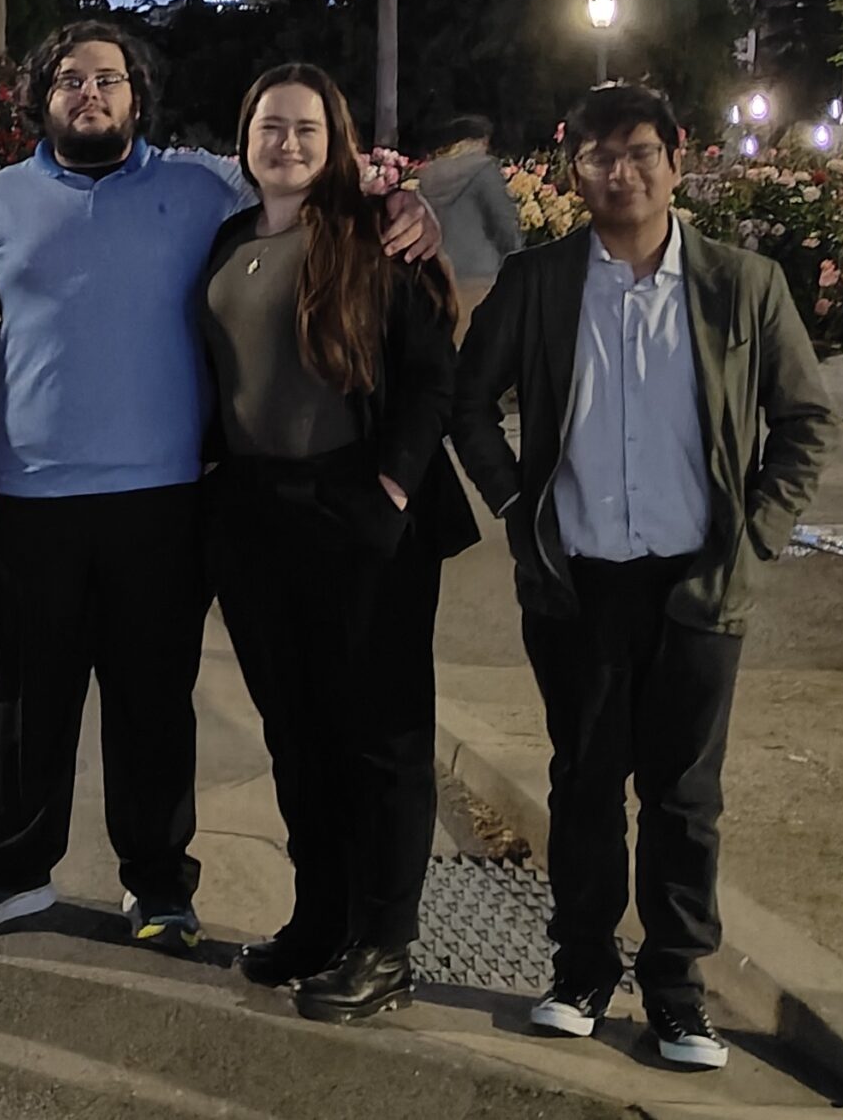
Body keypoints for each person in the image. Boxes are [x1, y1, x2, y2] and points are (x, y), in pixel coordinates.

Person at [0, 20, 438, 949]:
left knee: (154, 701)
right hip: (31, 498)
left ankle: (159, 882)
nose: (90, 94)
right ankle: (13, 868)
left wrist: (407, 205)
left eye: (109, 80)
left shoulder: (202, 187)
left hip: (165, 500)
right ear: (43, 98)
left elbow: (317, 181)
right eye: (70, 80)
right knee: (27, 698)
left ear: (137, 96)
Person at [451, 84, 836, 1071]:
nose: (615, 172)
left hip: (698, 581)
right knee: (583, 783)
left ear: (673, 159)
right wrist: (510, 507)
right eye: (593, 157)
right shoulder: (537, 281)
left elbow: (802, 420)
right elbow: (466, 405)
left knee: (682, 793)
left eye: (634, 153)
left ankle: (675, 990)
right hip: (575, 580)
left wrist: (752, 542)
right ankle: (579, 969)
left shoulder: (740, 284)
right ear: (569, 168)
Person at [197, 64, 477, 1022]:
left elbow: (431, 376)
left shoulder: (377, 235)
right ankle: (319, 918)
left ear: (337, 138)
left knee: (382, 737)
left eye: (306, 128)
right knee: (297, 732)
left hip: (361, 515)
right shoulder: (229, 241)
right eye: (269, 125)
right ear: (246, 138)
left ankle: (385, 941)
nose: (286, 143)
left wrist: (390, 487)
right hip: (256, 519)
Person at [418, 114, 522, 340]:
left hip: (440, 277)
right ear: (477, 140)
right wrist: (517, 259)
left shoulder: (428, 175)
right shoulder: (484, 171)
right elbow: (503, 222)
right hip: (482, 277)